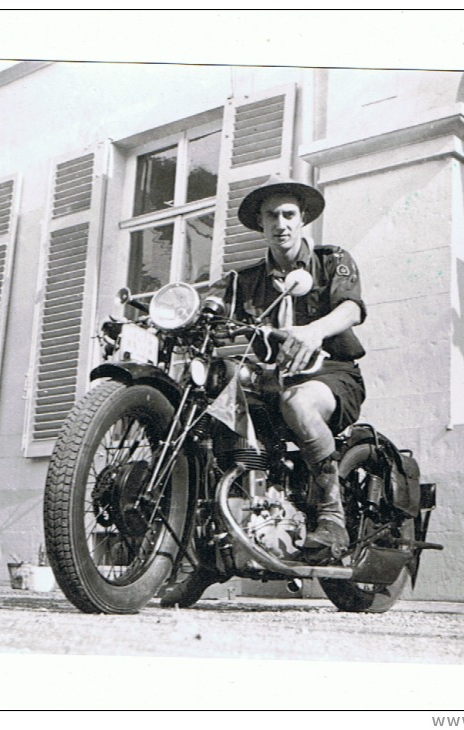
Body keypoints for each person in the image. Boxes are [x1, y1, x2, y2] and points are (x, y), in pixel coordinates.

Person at [161, 176, 367, 607]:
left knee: (298, 401)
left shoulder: (331, 262)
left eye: (288, 214)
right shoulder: (242, 281)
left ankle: (332, 513)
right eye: (271, 216)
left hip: (330, 374)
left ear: (303, 219)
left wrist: (313, 331)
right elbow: (209, 310)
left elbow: (351, 308)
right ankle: (210, 551)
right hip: (266, 382)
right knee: (210, 416)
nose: (281, 223)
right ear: (260, 224)